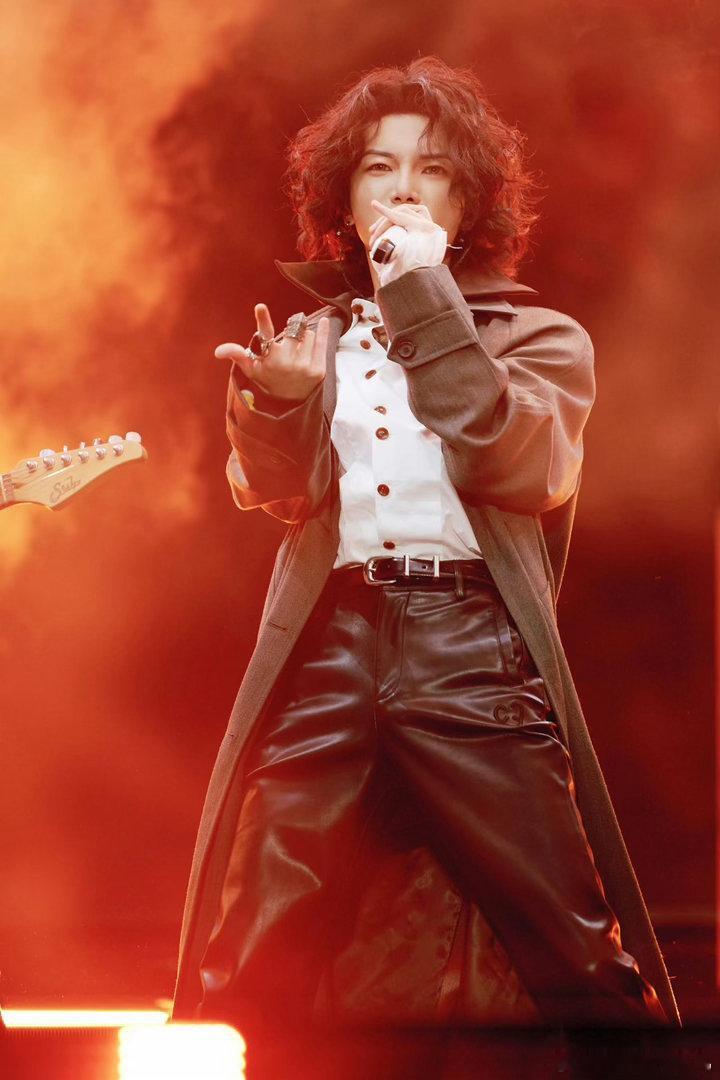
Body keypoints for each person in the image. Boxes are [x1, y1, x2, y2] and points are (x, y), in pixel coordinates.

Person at [172, 56, 679, 1045]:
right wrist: (277, 403)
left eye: (432, 168)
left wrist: (421, 294)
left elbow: (512, 460)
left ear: (467, 199)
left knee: (573, 948)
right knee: (253, 941)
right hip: (335, 644)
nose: (403, 187)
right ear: (344, 200)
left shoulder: (538, 337)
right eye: (379, 167)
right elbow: (276, 491)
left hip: (470, 649)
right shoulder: (315, 339)